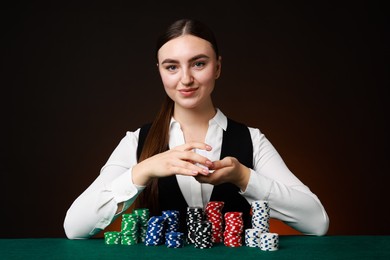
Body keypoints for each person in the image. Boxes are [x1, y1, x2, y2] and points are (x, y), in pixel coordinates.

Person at [63, 18, 329, 239]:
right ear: (160, 72)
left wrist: (243, 177)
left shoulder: (252, 140)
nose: (186, 79)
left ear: (218, 67)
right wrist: (142, 171)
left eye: (198, 63)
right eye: (172, 67)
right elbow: (74, 228)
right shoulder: (136, 142)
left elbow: (317, 222)